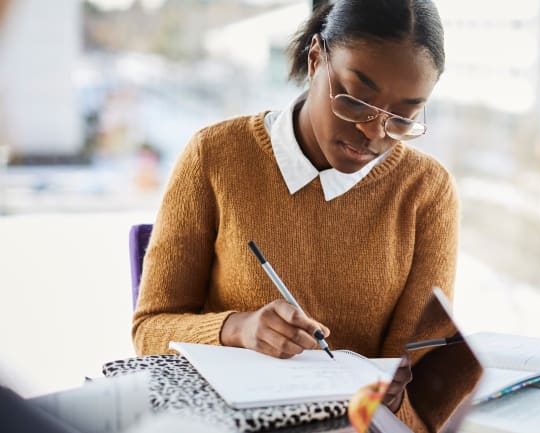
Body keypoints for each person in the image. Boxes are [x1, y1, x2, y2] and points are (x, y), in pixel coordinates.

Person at [132, 1, 458, 431]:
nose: (374, 133)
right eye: (357, 100)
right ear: (316, 58)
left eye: (402, 117)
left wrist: (402, 394)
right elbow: (150, 332)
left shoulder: (426, 191)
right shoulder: (215, 157)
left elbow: (418, 372)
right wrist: (238, 328)